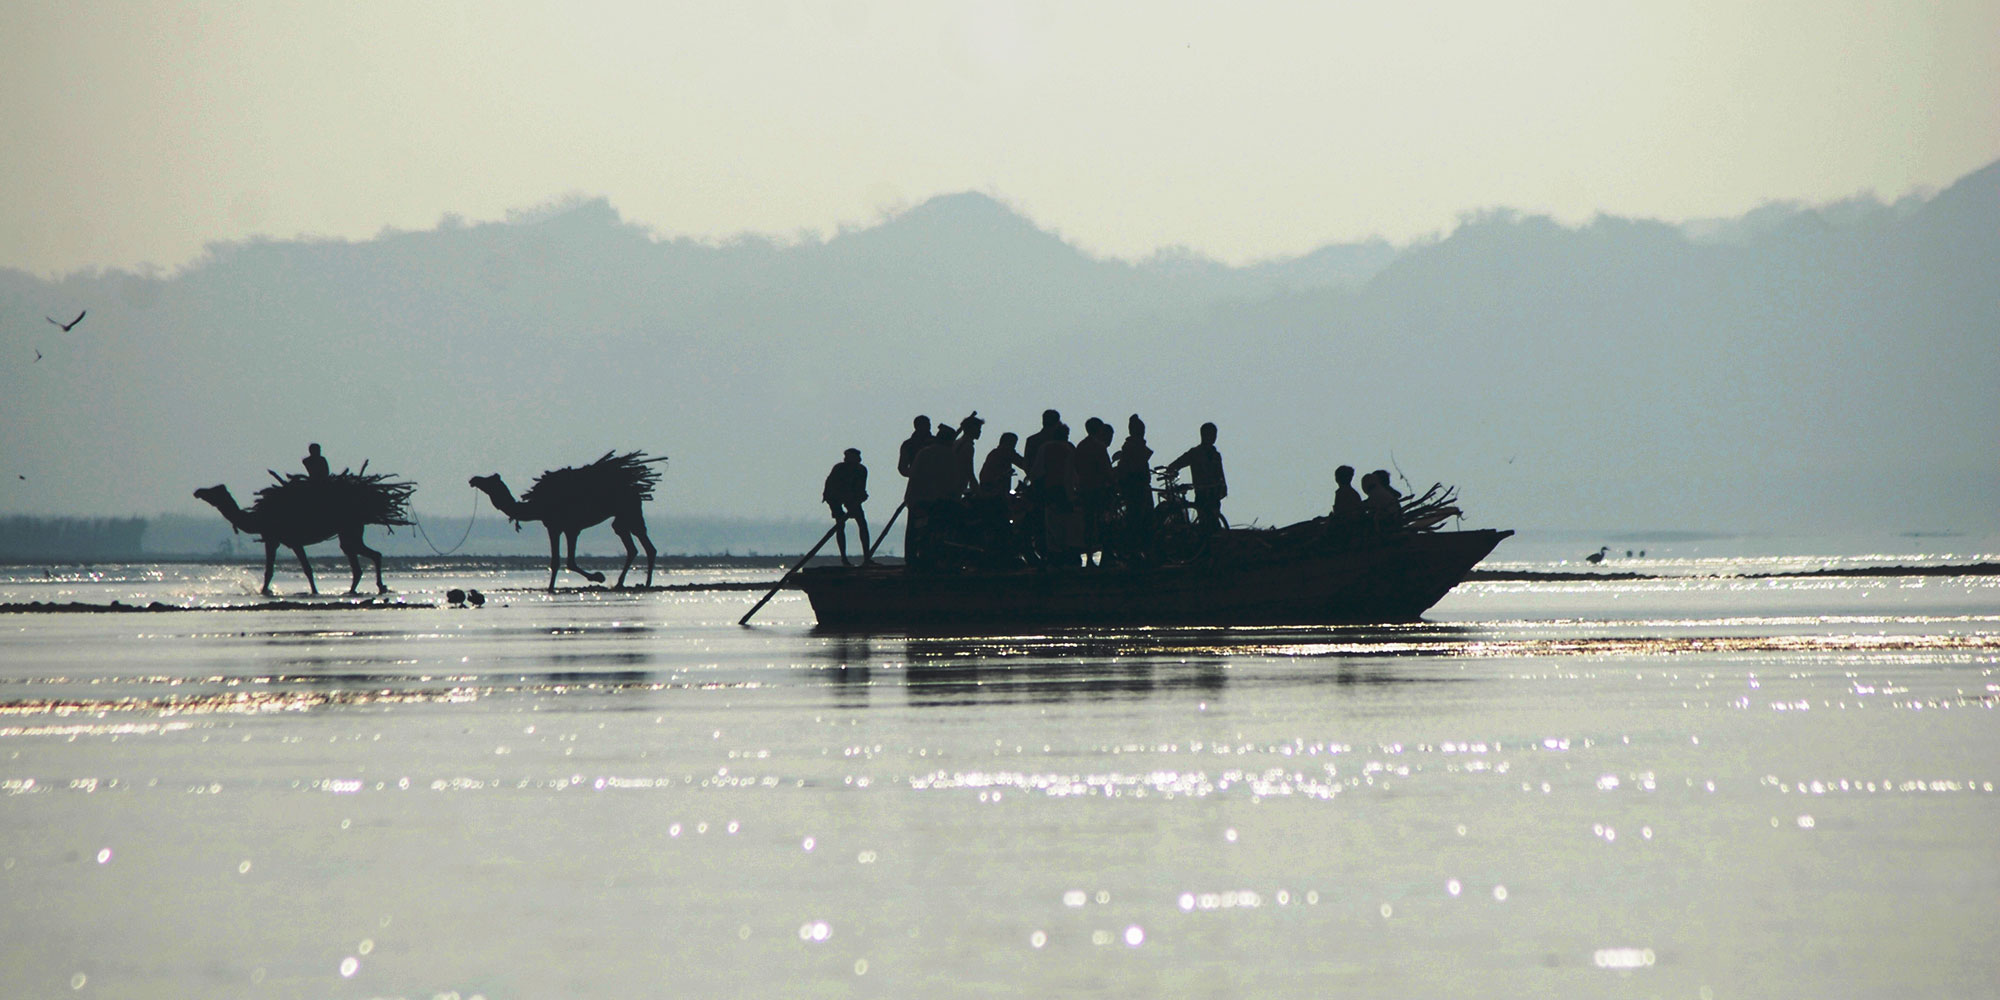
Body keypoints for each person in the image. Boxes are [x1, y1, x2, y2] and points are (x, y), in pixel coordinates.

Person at [1163, 422, 1227, 534]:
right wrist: (1171, 469)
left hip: (1214, 491)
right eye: (1210, 434)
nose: (1213, 437)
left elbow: (1220, 473)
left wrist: (1223, 486)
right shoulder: (1196, 453)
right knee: (1204, 519)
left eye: (1214, 435)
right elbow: (1180, 462)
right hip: (1202, 491)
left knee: (1214, 518)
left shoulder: (1215, 454)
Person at [1072, 418, 1115, 564]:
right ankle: (1106, 556)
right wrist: (1114, 483)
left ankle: (1089, 557)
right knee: (1104, 523)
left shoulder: (1081, 446)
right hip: (1099, 489)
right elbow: (1106, 469)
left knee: (1088, 524)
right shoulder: (1099, 447)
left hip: (1084, 488)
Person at [1113, 414, 1153, 560]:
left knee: (1138, 518)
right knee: (1136, 518)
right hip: (1136, 487)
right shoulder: (1133, 446)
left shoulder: (1132, 445)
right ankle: (1134, 549)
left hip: (1137, 486)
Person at [823, 448, 872, 566]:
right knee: (840, 525)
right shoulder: (839, 469)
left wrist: (858, 500)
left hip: (852, 498)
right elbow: (832, 488)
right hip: (834, 498)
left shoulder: (861, 470)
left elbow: (860, 489)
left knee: (862, 523)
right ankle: (844, 559)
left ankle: (867, 557)